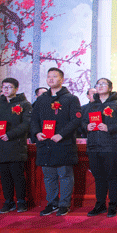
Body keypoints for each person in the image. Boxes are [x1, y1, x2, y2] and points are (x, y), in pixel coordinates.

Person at [30, 67, 82, 216]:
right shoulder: (41, 99)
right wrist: (37, 133)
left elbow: (76, 120)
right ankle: (52, 203)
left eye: (54, 76)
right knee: (49, 176)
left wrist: (61, 134)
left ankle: (64, 204)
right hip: (45, 143)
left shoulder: (70, 98)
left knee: (64, 175)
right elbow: (33, 119)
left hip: (63, 143)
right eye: (49, 76)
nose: (51, 79)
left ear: (62, 79)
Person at [0, 78, 33, 213]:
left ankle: (21, 201)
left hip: (16, 144)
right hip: (0, 145)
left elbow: (26, 124)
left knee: (18, 175)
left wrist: (10, 135)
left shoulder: (25, 104)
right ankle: (8, 201)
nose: (6, 89)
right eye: (4, 87)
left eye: (9, 87)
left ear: (16, 89)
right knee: (4, 176)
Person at [81, 78, 117, 218]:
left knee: (112, 176)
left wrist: (109, 128)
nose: (100, 86)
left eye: (103, 84)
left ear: (110, 88)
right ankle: (100, 204)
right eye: (98, 84)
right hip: (93, 146)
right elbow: (82, 122)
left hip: (111, 145)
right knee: (98, 177)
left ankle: (113, 205)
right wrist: (87, 126)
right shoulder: (91, 105)